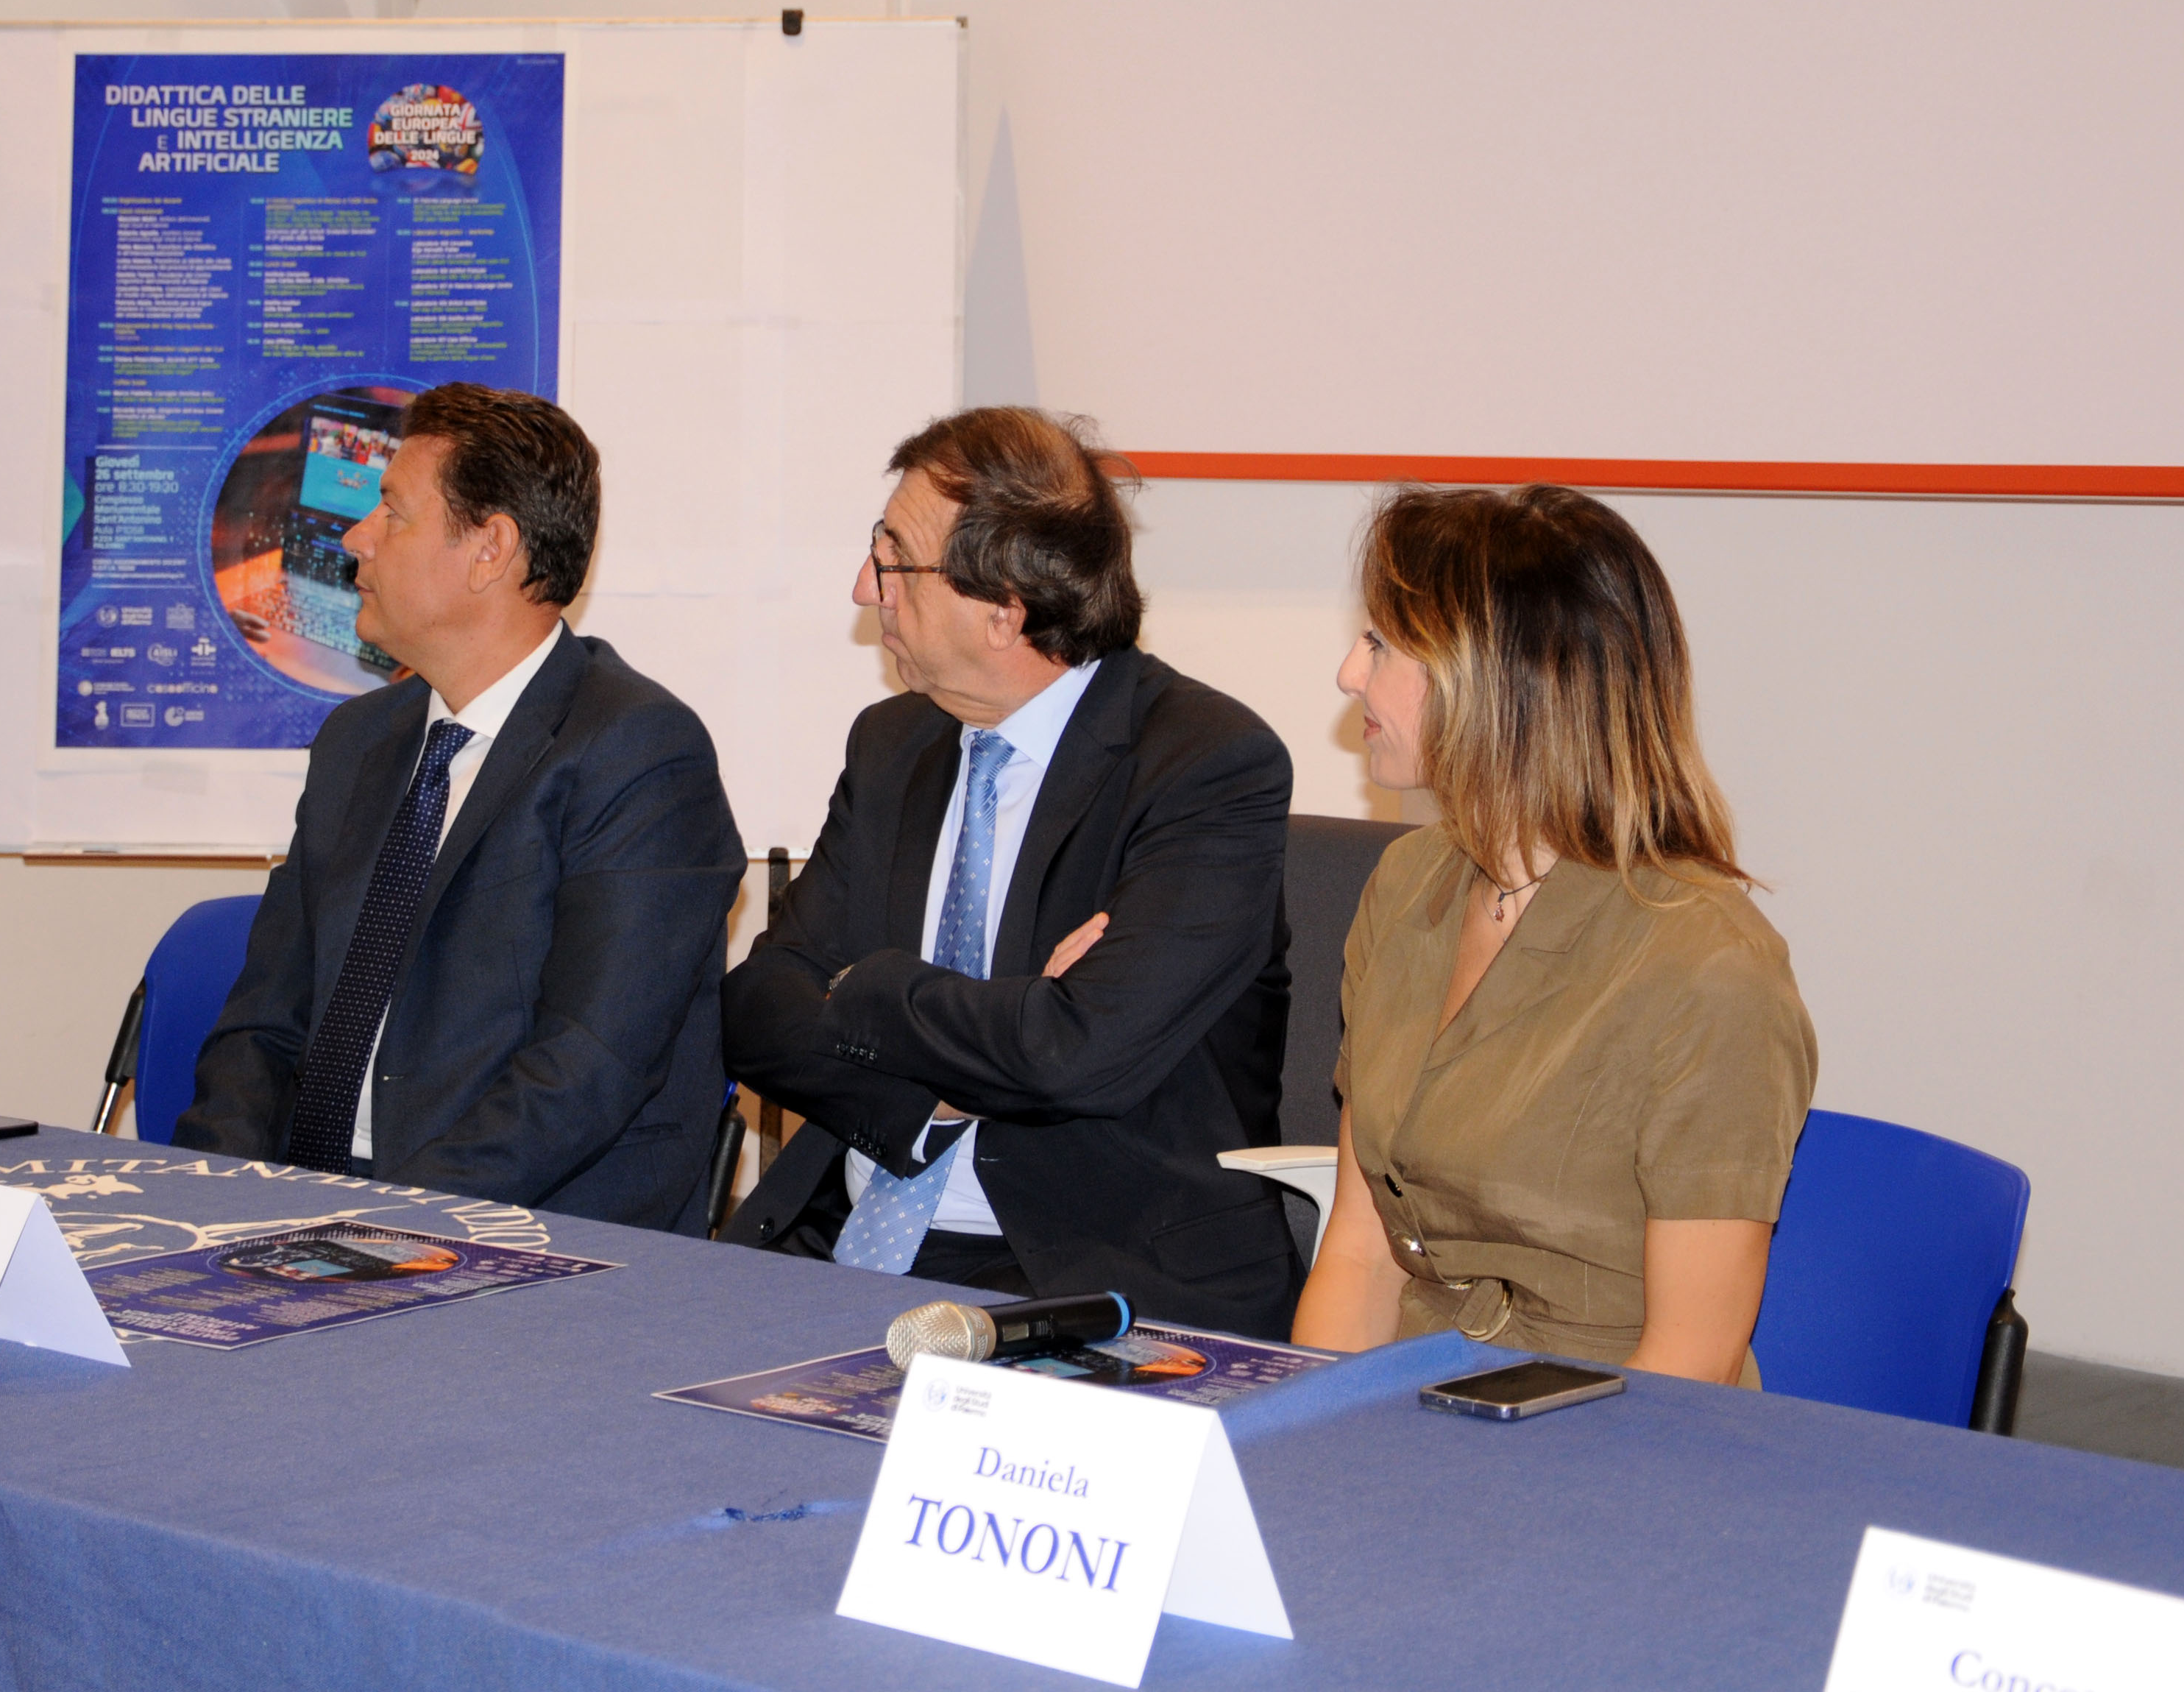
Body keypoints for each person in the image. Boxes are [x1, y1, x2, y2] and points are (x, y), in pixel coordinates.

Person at [721, 407, 1302, 1334]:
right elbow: (757, 1010)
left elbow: (1075, 1058)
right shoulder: (892, 742)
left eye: (893, 561)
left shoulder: (1205, 763)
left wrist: (865, 989)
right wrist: (960, 1074)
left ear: (1004, 608)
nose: (865, 588)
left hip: (1081, 1268)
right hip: (842, 1232)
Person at [174, 383, 744, 1232]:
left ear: (489, 550)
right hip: (314, 1205)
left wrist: (379, 1224)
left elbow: (585, 1070)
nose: (356, 537)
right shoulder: (357, 741)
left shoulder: (637, 751)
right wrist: (219, 1200)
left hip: (518, 1228)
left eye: (393, 513)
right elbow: (262, 1023)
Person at [1290, 484, 1816, 1383]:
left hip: (1604, 1426)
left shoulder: (1711, 969)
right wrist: (1300, 1435)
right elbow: (1360, 1252)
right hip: (1409, 1410)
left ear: (1497, 682)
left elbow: (1690, 1364)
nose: (1348, 673)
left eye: (1380, 644)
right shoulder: (1408, 882)